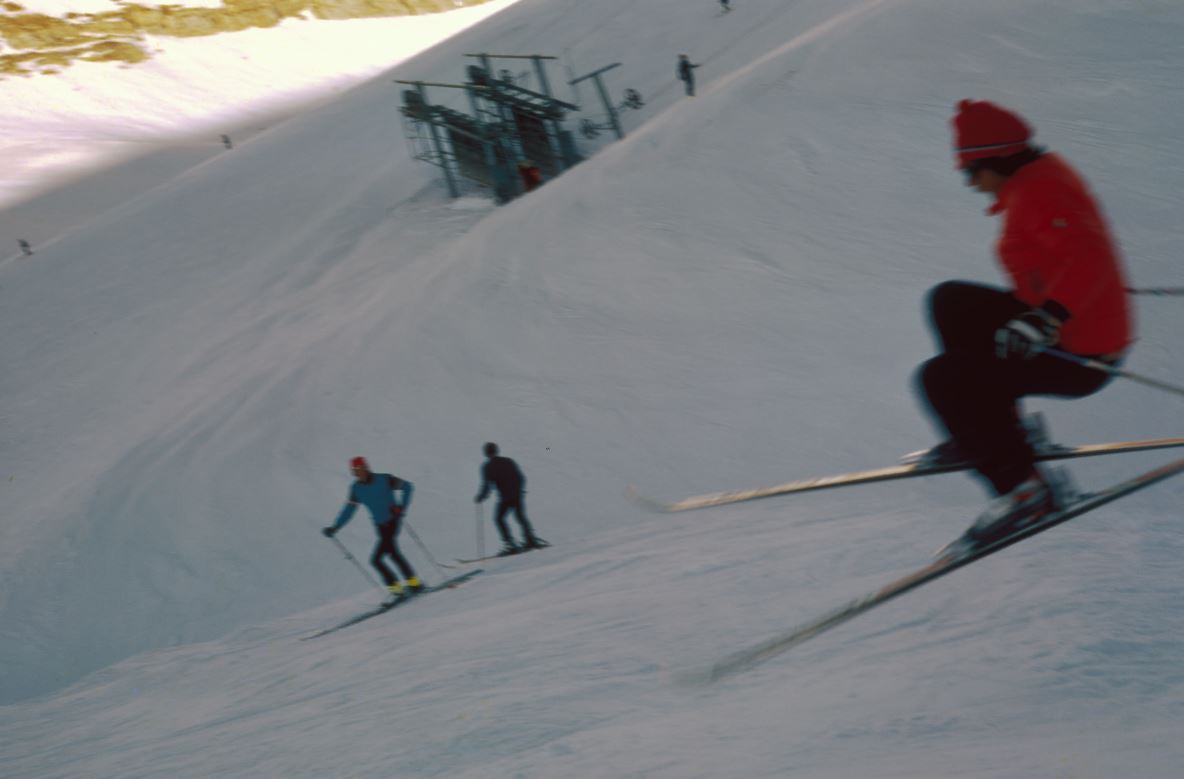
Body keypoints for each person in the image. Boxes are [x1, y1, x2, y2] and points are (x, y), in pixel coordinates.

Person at [916, 99, 1133, 554]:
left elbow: (1088, 257)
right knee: (951, 300)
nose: (972, 186)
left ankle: (1024, 491)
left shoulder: (1041, 192)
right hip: (1066, 330)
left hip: (1079, 355)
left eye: (970, 173)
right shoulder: (1035, 180)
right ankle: (998, 430)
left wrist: (1046, 318)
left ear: (996, 160)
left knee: (943, 378)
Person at [323, 456, 424, 602]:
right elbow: (348, 510)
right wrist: (335, 527)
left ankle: (399, 590)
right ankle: (413, 585)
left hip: (392, 522)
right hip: (379, 526)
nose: (359, 473)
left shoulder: (385, 479)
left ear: (367, 467)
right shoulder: (356, 489)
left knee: (376, 560)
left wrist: (401, 508)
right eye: (356, 471)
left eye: (361, 469)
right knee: (393, 554)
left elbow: (408, 487)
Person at [475, 442, 547, 555]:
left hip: (505, 498)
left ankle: (510, 544)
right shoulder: (508, 461)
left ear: (486, 453)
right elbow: (521, 477)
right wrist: (519, 491)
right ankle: (530, 540)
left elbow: (487, 485)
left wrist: (481, 497)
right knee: (520, 517)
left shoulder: (487, 467)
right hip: (517, 495)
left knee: (499, 519)